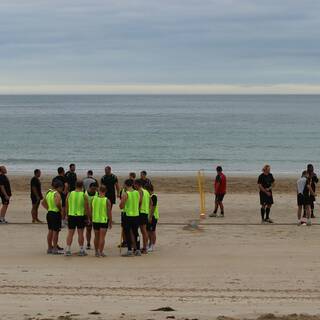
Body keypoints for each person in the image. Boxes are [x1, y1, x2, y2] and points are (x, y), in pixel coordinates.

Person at [65, 180, 88, 256]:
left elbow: (66, 204)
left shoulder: (70, 194)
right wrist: (87, 217)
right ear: (82, 186)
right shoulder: (84, 195)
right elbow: (86, 207)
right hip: (80, 216)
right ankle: (81, 249)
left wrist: (66, 214)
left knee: (70, 233)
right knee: (80, 233)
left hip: (71, 215)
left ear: (75, 185)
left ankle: (68, 249)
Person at [120, 179, 141, 257]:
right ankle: (138, 249)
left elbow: (121, 206)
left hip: (128, 216)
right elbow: (138, 202)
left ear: (126, 185)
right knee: (136, 233)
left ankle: (129, 250)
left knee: (128, 233)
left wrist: (122, 202)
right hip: (136, 215)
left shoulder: (126, 194)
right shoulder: (137, 192)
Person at [41, 179, 64, 254]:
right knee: (55, 231)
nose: (62, 189)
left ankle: (49, 248)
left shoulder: (49, 192)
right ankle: (54, 248)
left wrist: (48, 208)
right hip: (55, 213)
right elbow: (57, 203)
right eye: (62, 187)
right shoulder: (57, 193)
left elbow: (43, 202)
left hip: (50, 213)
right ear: (59, 187)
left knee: (50, 230)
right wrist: (60, 210)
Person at [90, 185, 112, 257]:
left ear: (98, 190)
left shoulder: (93, 198)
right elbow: (109, 212)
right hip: (103, 220)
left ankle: (96, 252)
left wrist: (90, 218)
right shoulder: (107, 200)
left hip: (95, 220)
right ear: (105, 191)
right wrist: (110, 221)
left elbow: (91, 209)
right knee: (102, 237)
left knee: (96, 237)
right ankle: (100, 251)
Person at [135, 179, 150, 254]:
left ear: (138, 184)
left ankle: (144, 248)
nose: (134, 186)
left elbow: (140, 201)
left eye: (135, 185)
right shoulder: (146, 192)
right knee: (144, 231)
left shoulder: (140, 191)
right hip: (146, 212)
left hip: (141, 212)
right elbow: (151, 202)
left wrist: (137, 209)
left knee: (143, 231)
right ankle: (145, 247)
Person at [84, 182, 98, 250]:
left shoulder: (97, 194)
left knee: (96, 231)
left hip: (95, 215)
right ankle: (88, 243)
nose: (94, 190)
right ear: (89, 187)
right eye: (92, 189)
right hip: (87, 214)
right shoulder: (85, 194)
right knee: (88, 229)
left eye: (95, 189)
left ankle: (96, 243)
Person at [146, 184, 159, 252]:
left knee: (152, 231)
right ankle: (149, 244)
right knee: (148, 231)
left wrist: (150, 216)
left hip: (153, 216)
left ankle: (152, 245)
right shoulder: (149, 196)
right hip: (149, 215)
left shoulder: (153, 196)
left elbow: (153, 207)